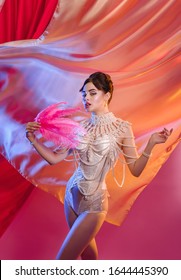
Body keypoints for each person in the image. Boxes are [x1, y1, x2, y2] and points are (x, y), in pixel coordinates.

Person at [25, 72, 173, 260]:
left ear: (107, 95)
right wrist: (33, 140)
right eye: (84, 94)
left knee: (62, 261)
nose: (86, 98)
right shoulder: (80, 126)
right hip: (71, 197)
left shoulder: (122, 128)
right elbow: (54, 158)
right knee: (89, 260)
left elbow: (135, 169)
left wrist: (151, 143)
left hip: (94, 203)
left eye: (92, 93)